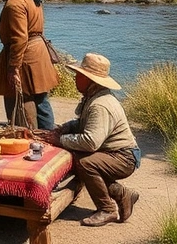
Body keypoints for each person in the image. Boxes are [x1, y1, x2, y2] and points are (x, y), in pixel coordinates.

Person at [39, 53, 141, 227]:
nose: (75, 79)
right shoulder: (94, 97)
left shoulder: (100, 105)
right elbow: (85, 123)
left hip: (123, 157)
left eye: (79, 76)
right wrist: (67, 127)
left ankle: (107, 209)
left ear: (89, 79)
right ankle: (122, 194)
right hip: (114, 153)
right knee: (78, 159)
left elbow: (90, 141)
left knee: (85, 162)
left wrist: (60, 139)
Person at [0, 0, 58, 130]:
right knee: (41, 101)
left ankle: (29, 136)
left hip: (26, 57)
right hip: (38, 52)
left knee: (21, 99)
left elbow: (20, 38)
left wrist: (13, 67)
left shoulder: (14, 2)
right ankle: (48, 136)